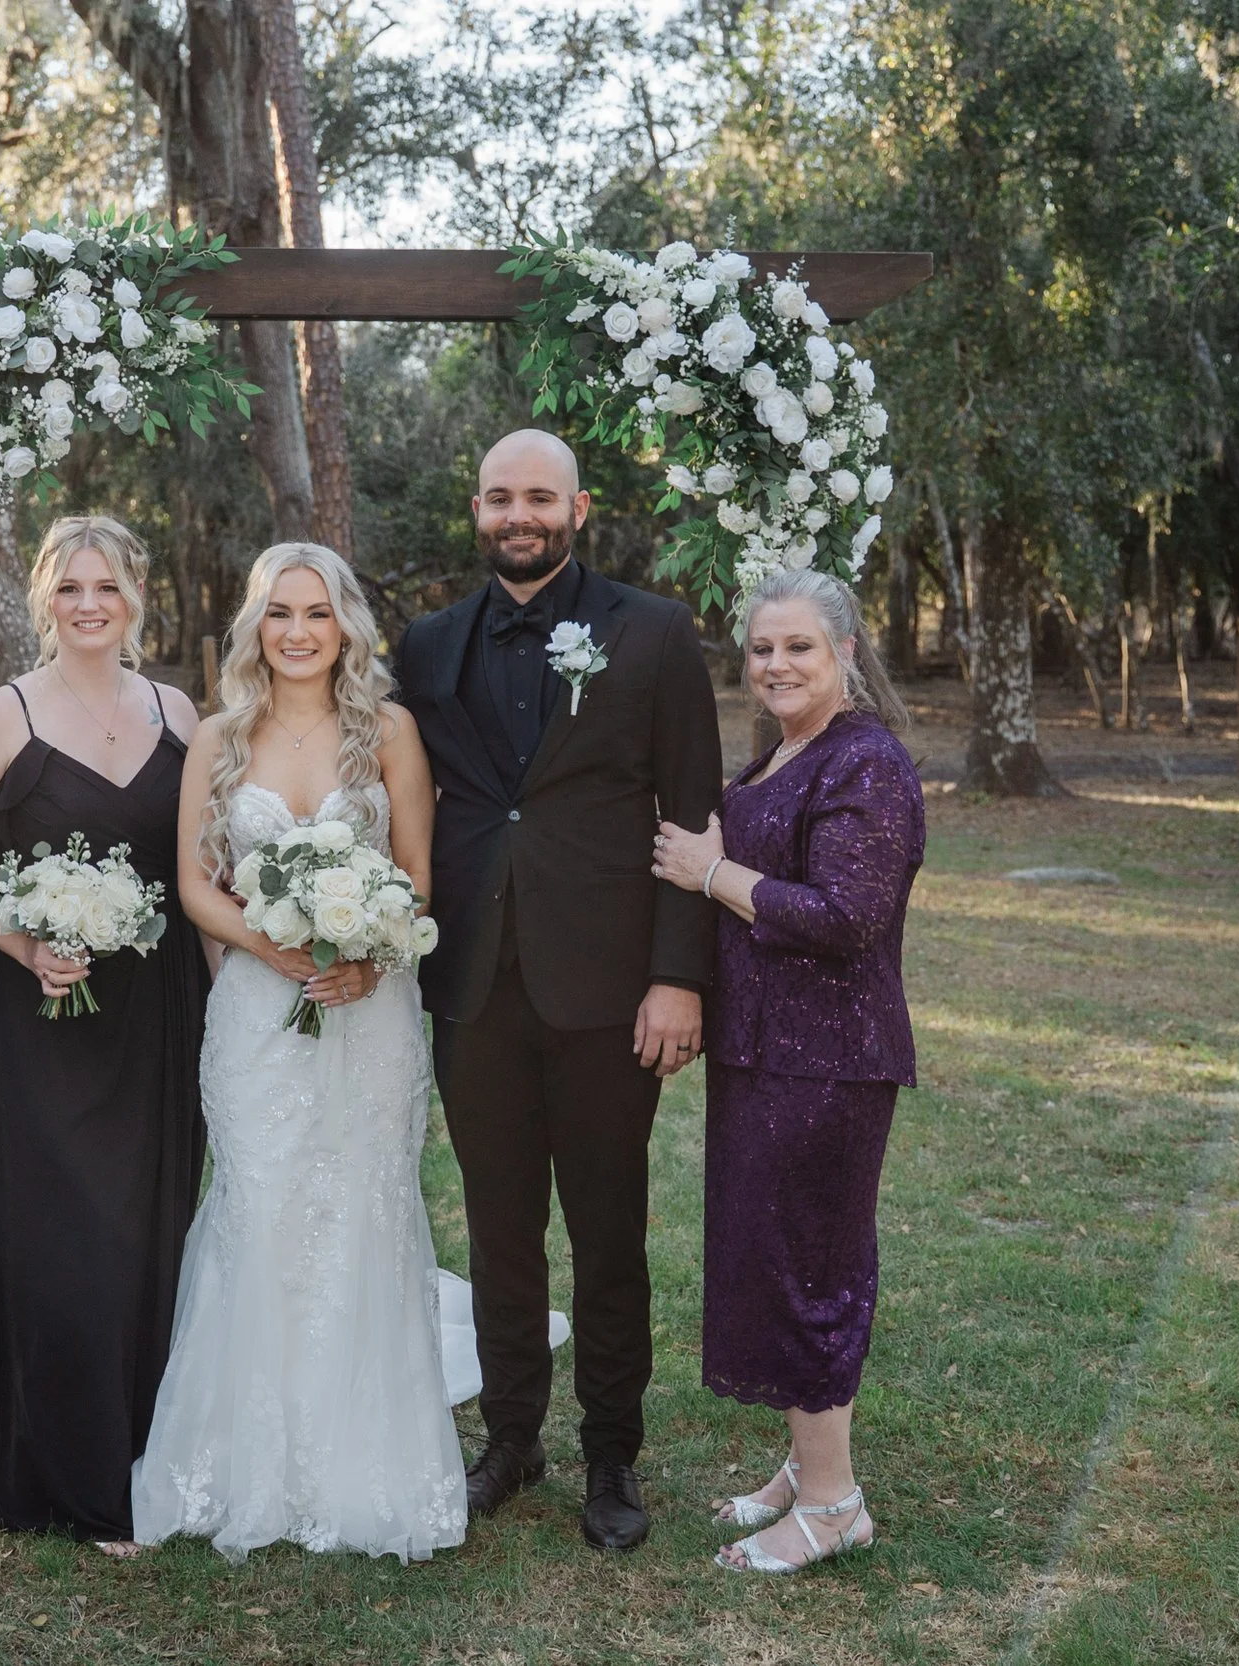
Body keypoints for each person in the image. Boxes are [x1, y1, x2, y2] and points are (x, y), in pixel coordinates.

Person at [391, 429, 722, 1553]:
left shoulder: (654, 632)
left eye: (539, 496)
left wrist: (678, 978)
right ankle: (512, 1436)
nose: (517, 515)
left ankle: (612, 1452)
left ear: (578, 509)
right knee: (499, 1227)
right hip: (472, 983)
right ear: (476, 510)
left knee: (606, 1228)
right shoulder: (428, 644)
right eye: (499, 497)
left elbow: (693, 811)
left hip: (610, 989)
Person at [131, 542, 468, 1563]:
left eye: (317, 613)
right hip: (255, 1010)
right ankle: (243, 1464)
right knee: (260, 1202)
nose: (298, 632)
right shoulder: (218, 735)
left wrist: (368, 956)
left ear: (345, 625)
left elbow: (415, 874)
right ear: (255, 626)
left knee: (362, 1205)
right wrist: (270, 944)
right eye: (279, 613)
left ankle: (362, 1466)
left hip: (368, 1010)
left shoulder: (389, 731)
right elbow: (195, 884)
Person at [0, 515, 206, 1553]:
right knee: (64, 1239)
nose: (91, 605)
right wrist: (30, 943)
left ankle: (145, 1451)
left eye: (108, 586)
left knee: (148, 1231)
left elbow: (200, 865)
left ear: (137, 596)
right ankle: (71, 1477)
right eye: (71, 587)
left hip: (160, 1010)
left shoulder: (178, 711)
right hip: (43, 1018)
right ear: (45, 598)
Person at [647, 566, 924, 1575]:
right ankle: (805, 1468)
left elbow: (849, 917)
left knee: (812, 1269)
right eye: (761, 648)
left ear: (845, 651)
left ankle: (835, 1505)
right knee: (773, 1260)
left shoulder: (867, 762)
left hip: (829, 1062)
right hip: (764, 1053)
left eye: (799, 646)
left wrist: (711, 873)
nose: (776, 664)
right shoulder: (783, 753)